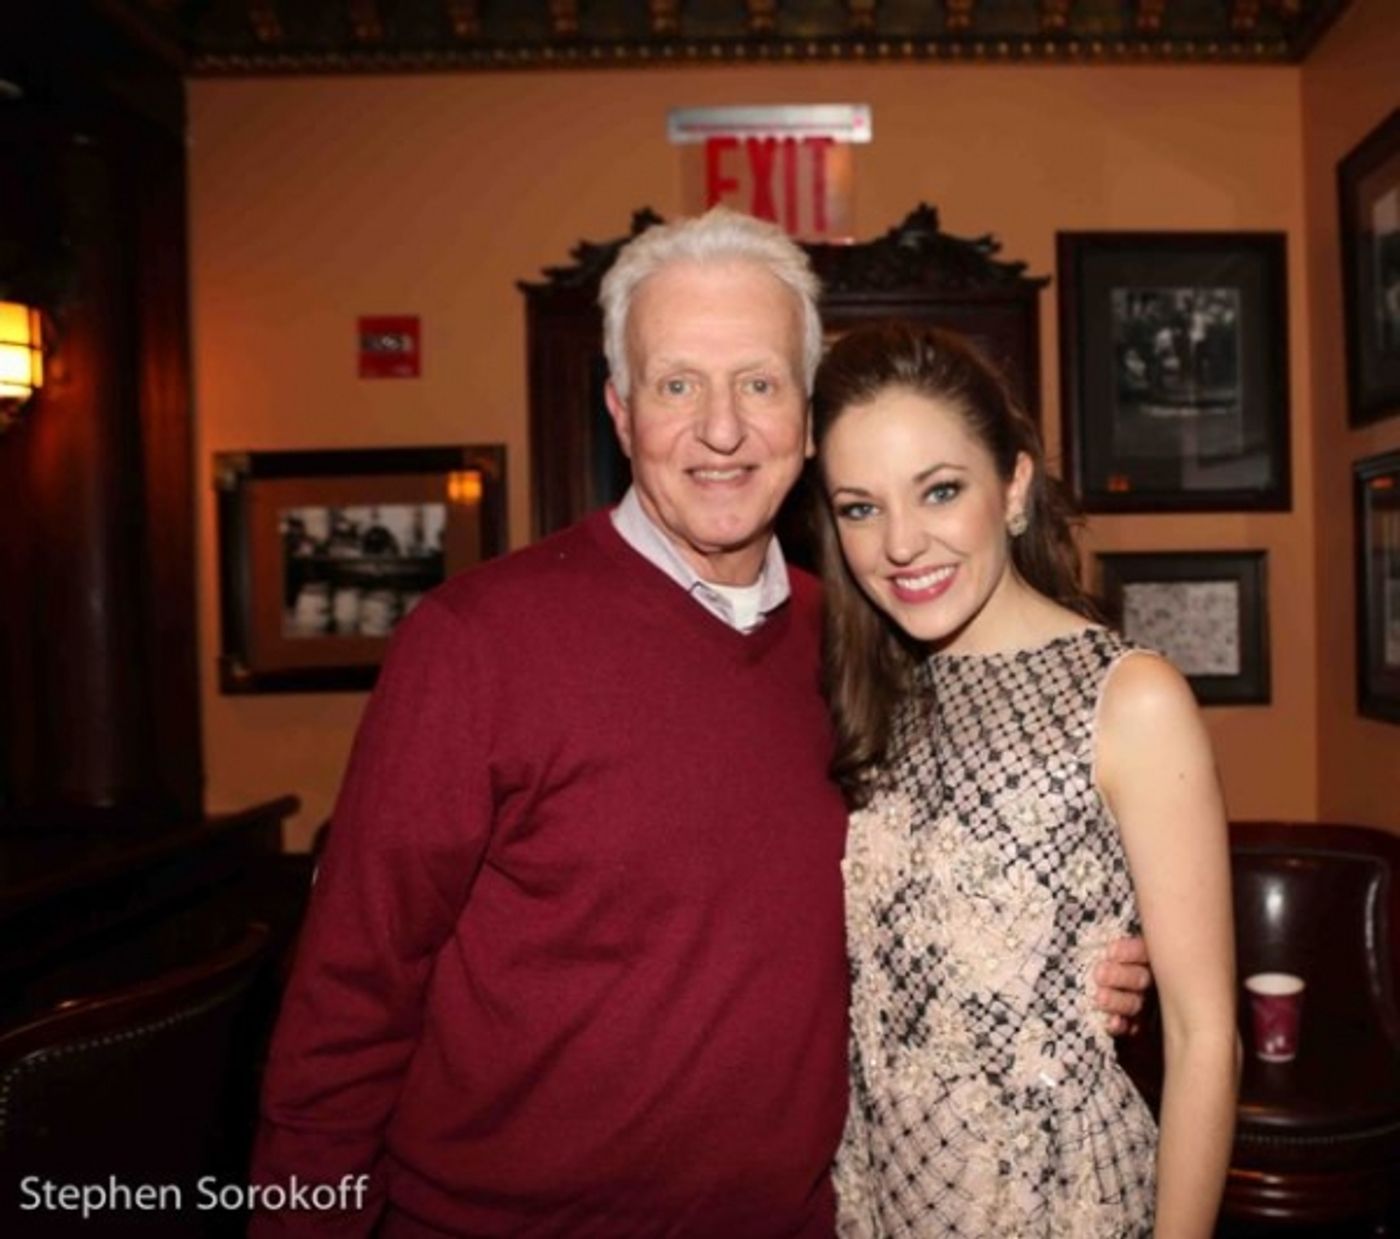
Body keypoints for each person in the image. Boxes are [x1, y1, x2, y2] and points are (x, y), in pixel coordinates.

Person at [249, 209, 1149, 1237]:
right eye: (677, 385)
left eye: (758, 384)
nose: (722, 430)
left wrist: (1074, 956)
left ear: (806, 418)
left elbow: (941, 889)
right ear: (619, 410)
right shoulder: (473, 644)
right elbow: (348, 1000)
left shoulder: (862, 645)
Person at [812, 322, 1238, 1238]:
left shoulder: (1131, 698)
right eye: (860, 507)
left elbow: (1206, 1036)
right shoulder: (871, 696)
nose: (900, 542)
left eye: (939, 490)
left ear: (1012, 487)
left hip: (1055, 1198)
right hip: (882, 1194)